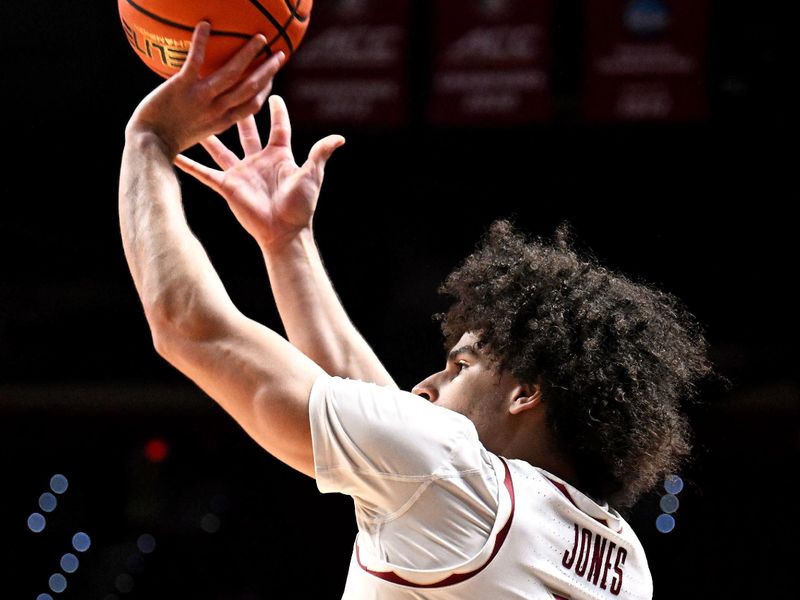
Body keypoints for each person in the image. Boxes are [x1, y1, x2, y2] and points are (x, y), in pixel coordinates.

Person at [119, 23, 711, 599]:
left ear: (525, 393)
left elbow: (189, 327)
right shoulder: (624, 561)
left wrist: (150, 140)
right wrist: (287, 245)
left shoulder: (450, 482)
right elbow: (384, 410)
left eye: (462, 367)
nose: (425, 388)